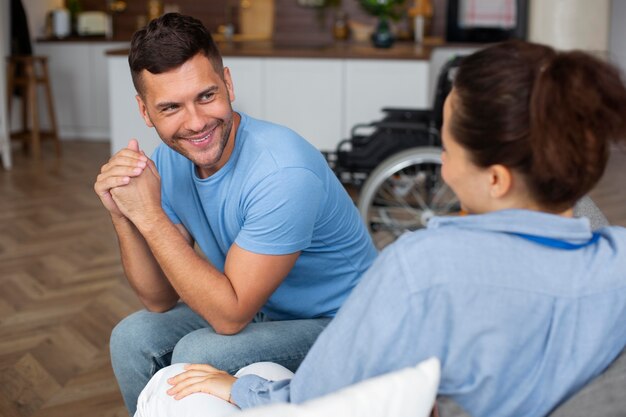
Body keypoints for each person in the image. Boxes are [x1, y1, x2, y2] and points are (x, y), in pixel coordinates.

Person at [137, 40, 626, 417]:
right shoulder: (616, 256)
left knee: (182, 385)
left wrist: (241, 388)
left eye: (450, 152)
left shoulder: (423, 268)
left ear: (496, 180)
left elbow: (322, 396)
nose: (444, 170)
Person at [93, 13, 377, 416]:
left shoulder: (282, 171)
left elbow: (229, 316)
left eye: (206, 96)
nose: (195, 123)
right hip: (268, 313)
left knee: (200, 349)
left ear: (228, 83)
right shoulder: (170, 161)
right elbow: (158, 298)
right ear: (144, 111)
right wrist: (125, 215)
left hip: (349, 327)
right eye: (170, 107)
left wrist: (151, 216)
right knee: (132, 336)